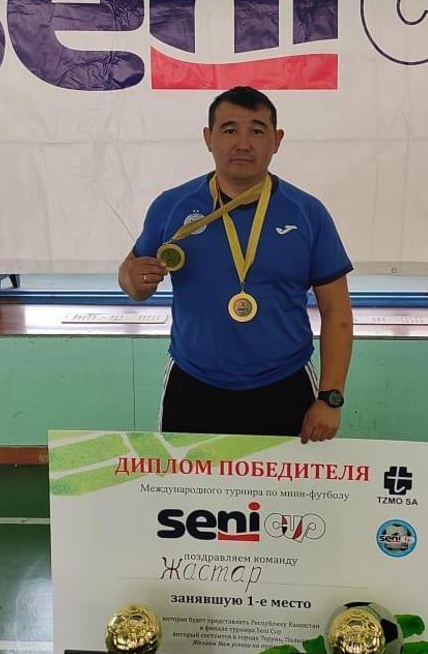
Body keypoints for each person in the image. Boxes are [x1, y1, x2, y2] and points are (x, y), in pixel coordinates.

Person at [119, 86, 353, 443]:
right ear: (208, 137)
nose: (243, 143)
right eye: (229, 130)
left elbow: (337, 312)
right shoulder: (172, 206)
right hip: (193, 384)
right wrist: (133, 280)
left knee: (283, 482)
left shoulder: (307, 213)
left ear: (276, 140)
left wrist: (330, 398)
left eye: (257, 131)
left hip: (285, 384)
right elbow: (131, 277)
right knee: (188, 480)